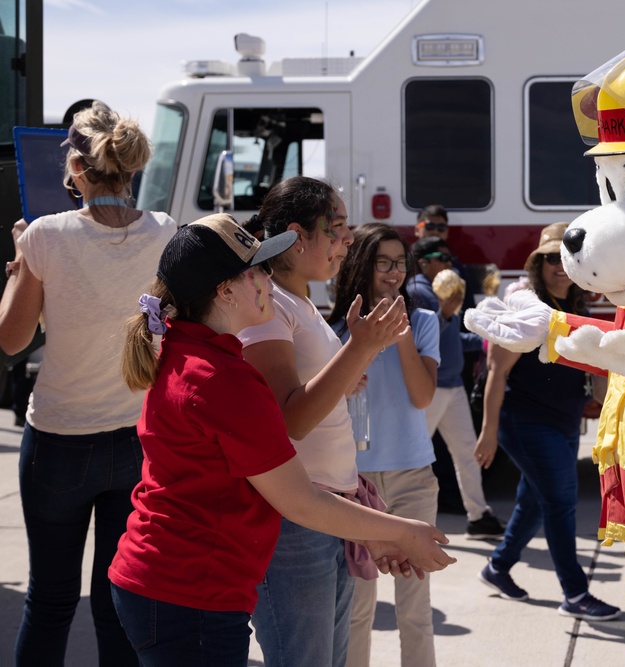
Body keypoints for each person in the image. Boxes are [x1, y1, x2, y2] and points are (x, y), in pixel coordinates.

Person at [109, 213, 455, 666]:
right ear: (225, 291)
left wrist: (377, 532)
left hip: (171, 583)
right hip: (188, 591)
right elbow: (300, 501)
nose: (269, 279)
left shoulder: (188, 348)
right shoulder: (222, 378)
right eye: (256, 270)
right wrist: (403, 531)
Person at [0, 101, 177, 666]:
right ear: (129, 167)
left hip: (57, 439)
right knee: (116, 602)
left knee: (49, 601)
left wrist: (22, 264)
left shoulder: (44, 237)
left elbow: (11, 339)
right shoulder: (165, 232)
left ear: (77, 168)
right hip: (136, 441)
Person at [235, 176, 382, 666]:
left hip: (325, 513)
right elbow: (290, 418)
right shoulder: (270, 302)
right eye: (336, 227)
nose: (348, 240)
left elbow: (307, 397)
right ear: (298, 236)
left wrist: (345, 373)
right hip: (297, 522)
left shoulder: (298, 302)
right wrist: (359, 349)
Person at [474, 223, 620, 621]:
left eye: (565, 258)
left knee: (534, 501)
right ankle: (574, 593)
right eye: (550, 259)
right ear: (538, 264)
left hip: (565, 419)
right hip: (526, 421)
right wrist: (488, 432)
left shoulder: (577, 307)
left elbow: (595, 364)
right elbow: (496, 371)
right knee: (560, 502)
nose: (559, 266)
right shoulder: (527, 307)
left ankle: (497, 568)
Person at [330, 223, 442, 667]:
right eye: (383, 262)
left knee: (414, 606)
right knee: (358, 607)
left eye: (400, 262)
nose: (394, 272)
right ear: (362, 266)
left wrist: (403, 336)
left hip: (413, 475)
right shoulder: (338, 327)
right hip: (353, 481)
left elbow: (422, 396)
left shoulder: (424, 322)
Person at [408, 235, 504, 539]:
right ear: (424, 261)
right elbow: (416, 338)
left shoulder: (441, 292)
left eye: (450, 259)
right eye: (443, 258)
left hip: (452, 387)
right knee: (415, 454)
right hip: (431, 388)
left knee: (466, 451)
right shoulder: (417, 291)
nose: (450, 264)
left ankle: (478, 515)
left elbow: (452, 340)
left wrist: (485, 341)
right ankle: (400, 519)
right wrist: (446, 314)